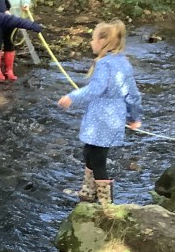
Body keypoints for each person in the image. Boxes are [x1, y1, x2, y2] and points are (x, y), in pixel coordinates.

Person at [57, 20, 142, 206]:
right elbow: (133, 95)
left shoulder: (104, 64)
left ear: (103, 41)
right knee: (89, 151)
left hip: (101, 119)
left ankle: (106, 205)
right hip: (112, 118)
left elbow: (96, 89)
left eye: (93, 38)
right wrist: (133, 117)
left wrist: (72, 97)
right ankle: (88, 192)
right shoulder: (124, 62)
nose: (90, 42)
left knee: (98, 159)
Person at [0, 0, 32, 81]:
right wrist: (3, 8)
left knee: (10, 41)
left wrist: (25, 3)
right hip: (0, 16)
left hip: (15, 16)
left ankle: (9, 69)